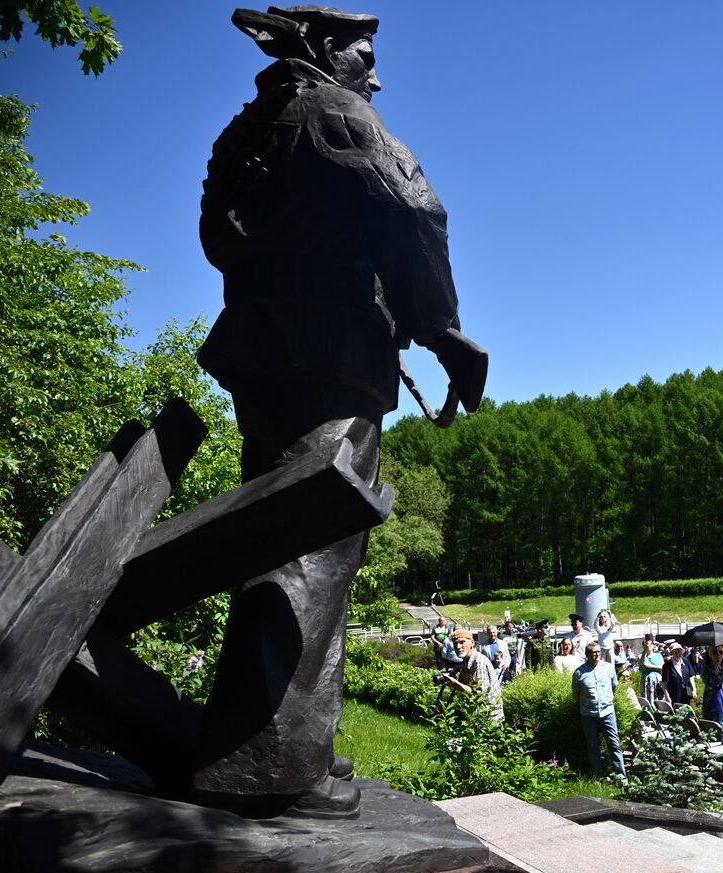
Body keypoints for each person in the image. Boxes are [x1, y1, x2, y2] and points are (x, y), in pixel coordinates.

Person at [192, 5, 487, 819]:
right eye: (364, 51)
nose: (375, 72)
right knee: (313, 547)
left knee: (279, 541)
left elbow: (218, 240)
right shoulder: (336, 112)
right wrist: (443, 332)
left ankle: (285, 738)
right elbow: (417, 210)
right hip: (331, 361)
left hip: (263, 357)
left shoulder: (250, 128)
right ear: (326, 48)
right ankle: (276, 764)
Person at [572, 642, 627, 785]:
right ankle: (598, 777)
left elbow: (614, 688)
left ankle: (622, 779)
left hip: (608, 712)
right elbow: (576, 695)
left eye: (598, 652)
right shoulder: (579, 672)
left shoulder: (609, 668)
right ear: (587, 655)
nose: (596, 655)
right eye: (593, 652)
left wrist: (606, 701)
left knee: (614, 745)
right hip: (588, 714)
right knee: (592, 746)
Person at [437, 630, 503, 723]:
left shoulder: (479, 662)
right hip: (476, 715)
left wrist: (455, 684)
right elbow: (465, 685)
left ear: (472, 643)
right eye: (455, 644)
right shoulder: (466, 661)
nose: (458, 646)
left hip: (488, 718)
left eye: (462, 642)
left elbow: (479, 693)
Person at [702, 642, 723, 727]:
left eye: (720, 652)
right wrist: (716, 670)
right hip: (714, 706)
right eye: (714, 652)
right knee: (716, 731)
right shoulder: (706, 669)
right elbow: (711, 686)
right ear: (710, 654)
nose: (718, 655)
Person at [639, 634, 664, 704]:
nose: (648, 646)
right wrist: (644, 651)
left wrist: (649, 666)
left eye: (650, 644)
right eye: (646, 644)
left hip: (658, 681)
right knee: (648, 699)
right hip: (647, 681)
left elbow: (662, 667)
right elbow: (642, 664)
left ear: (653, 646)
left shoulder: (658, 655)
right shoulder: (641, 656)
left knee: (659, 699)